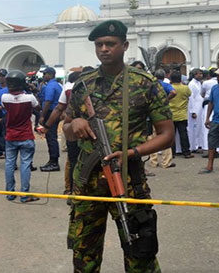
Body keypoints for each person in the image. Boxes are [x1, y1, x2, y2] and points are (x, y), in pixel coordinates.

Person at [63, 19, 174, 272]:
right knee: (84, 256)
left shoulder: (144, 83)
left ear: (124, 46)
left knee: (140, 254)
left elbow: (167, 135)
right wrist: (76, 123)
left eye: (110, 44)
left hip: (128, 181)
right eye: (99, 44)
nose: (104, 49)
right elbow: (67, 129)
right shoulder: (83, 85)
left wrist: (132, 153)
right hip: (87, 184)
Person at [1, 70, 41, 203]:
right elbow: (38, 107)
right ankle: (24, 194)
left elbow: (5, 108)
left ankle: (10, 192)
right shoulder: (29, 98)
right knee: (25, 164)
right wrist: (32, 91)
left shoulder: (4, 97)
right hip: (25, 135)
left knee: (9, 164)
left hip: (11, 136)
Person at [200, 67, 219, 173]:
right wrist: (207, 118)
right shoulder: (214, 88)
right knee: (212, 144)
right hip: (216, 119)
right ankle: (209, 166)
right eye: (218, 75)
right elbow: (211, 103)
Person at [149, 69, 177, 168]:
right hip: (164, 113)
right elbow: (173, 92)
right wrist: (166, 100)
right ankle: (166, 162)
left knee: (153, 136)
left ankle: (153, 161)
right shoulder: (165, 85)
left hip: (152, 112)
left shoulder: (151, 84)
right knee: (166, 136)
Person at [39, 66, 63, 171]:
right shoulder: (57, 85)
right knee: (51, 136)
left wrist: (42, 116)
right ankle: (52, 160)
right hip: (55, 112)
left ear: (50, 75)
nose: (43, 76)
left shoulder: (50, 86)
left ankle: (54, 162)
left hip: (51, 112)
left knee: (51, 137)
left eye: (45, 74)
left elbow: (48, 102)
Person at [169, 70, 194, 158]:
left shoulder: (169, 87)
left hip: (171, 114)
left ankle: (172, 153)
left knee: (171, 135)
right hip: (182, 114)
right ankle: (186, 152)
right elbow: (190, 95)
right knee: (183, 134)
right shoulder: (185, 88)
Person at [188, 68, 204, 152]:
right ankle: (194, 146)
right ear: (195, 75)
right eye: (199, 74)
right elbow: (191, 98)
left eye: (201, 74)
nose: (201, 75)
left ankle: (199, 144)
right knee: (194, 127)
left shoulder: (199, 83)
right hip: (195, 108)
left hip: (199, 107)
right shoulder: (192, 84)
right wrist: (193, 111)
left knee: (199, 127)